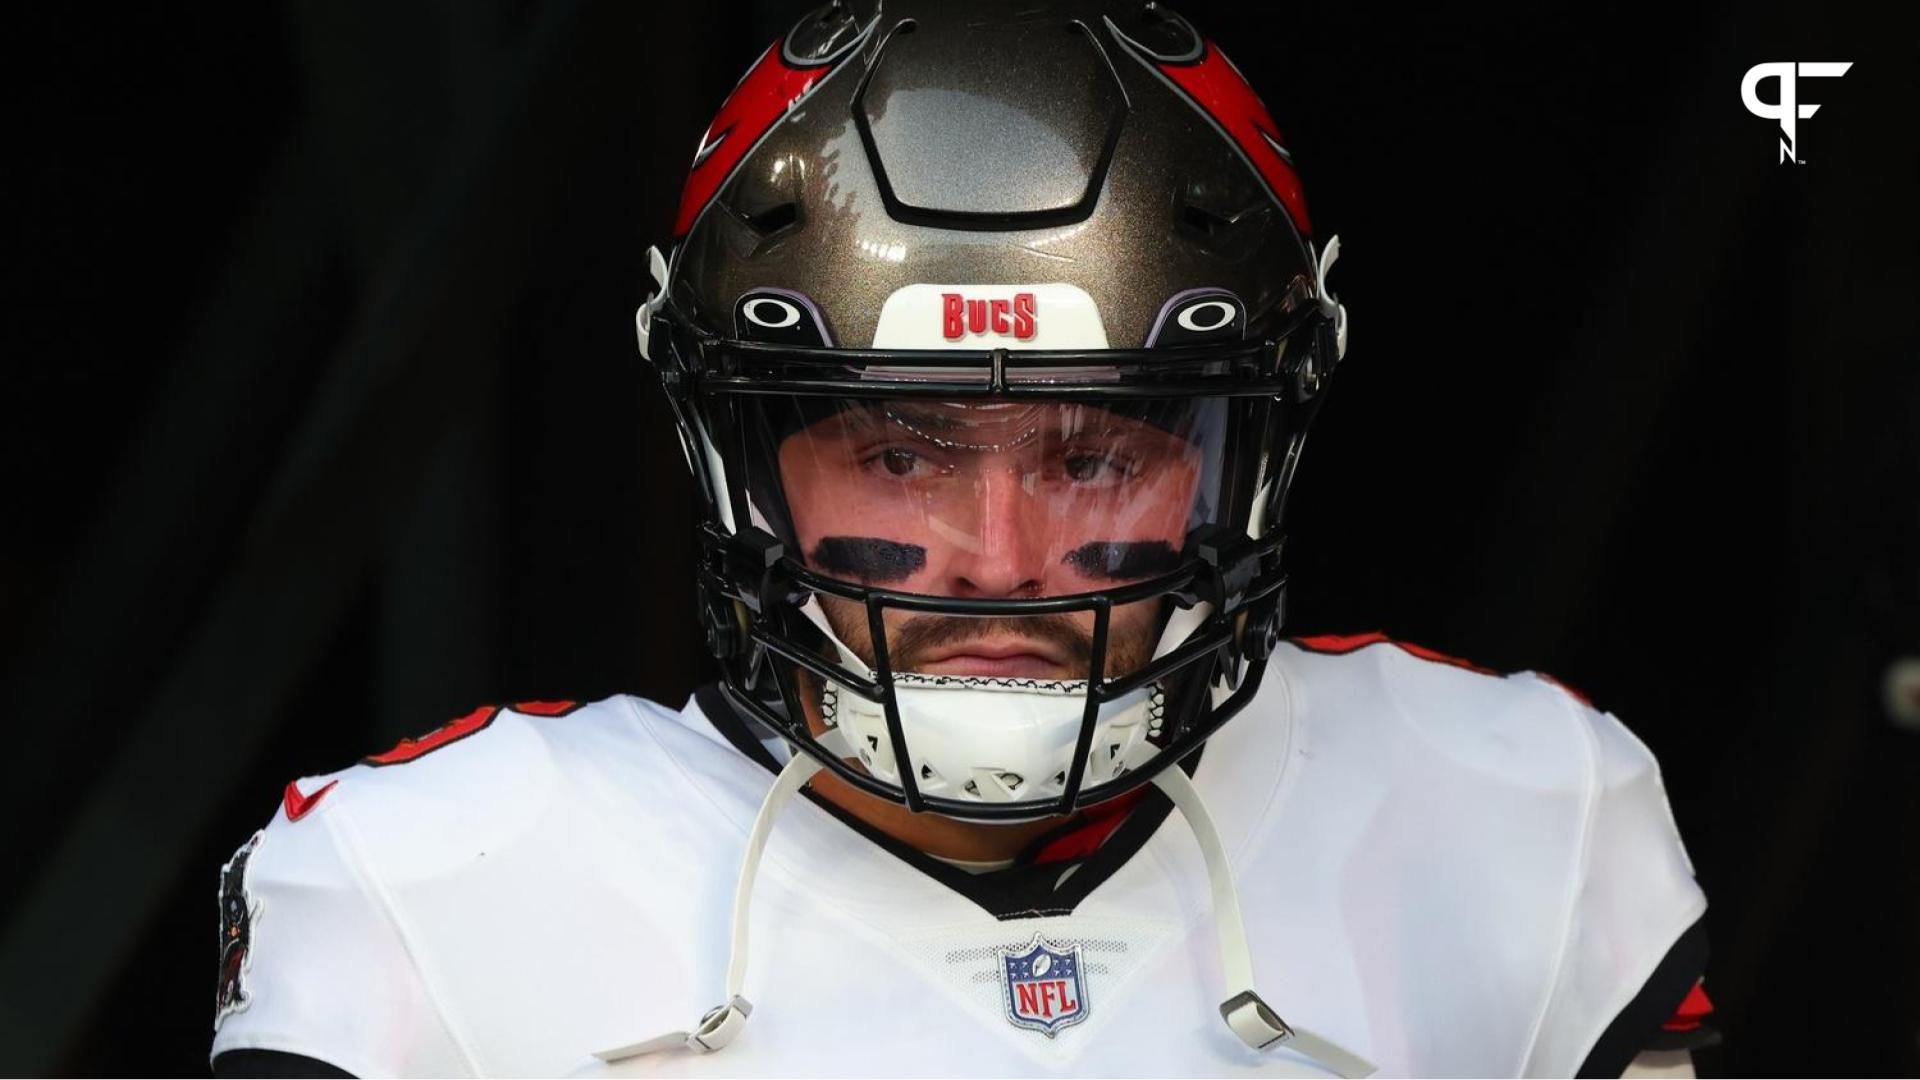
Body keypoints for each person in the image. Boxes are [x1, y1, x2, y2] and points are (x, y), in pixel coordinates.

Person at [208, 2, 1716, 1075]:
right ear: (737, 456)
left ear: (1244, 454)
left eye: (1094, 454)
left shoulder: (1520, 816)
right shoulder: (430, 883)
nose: (998, 553)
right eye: (898, 452)